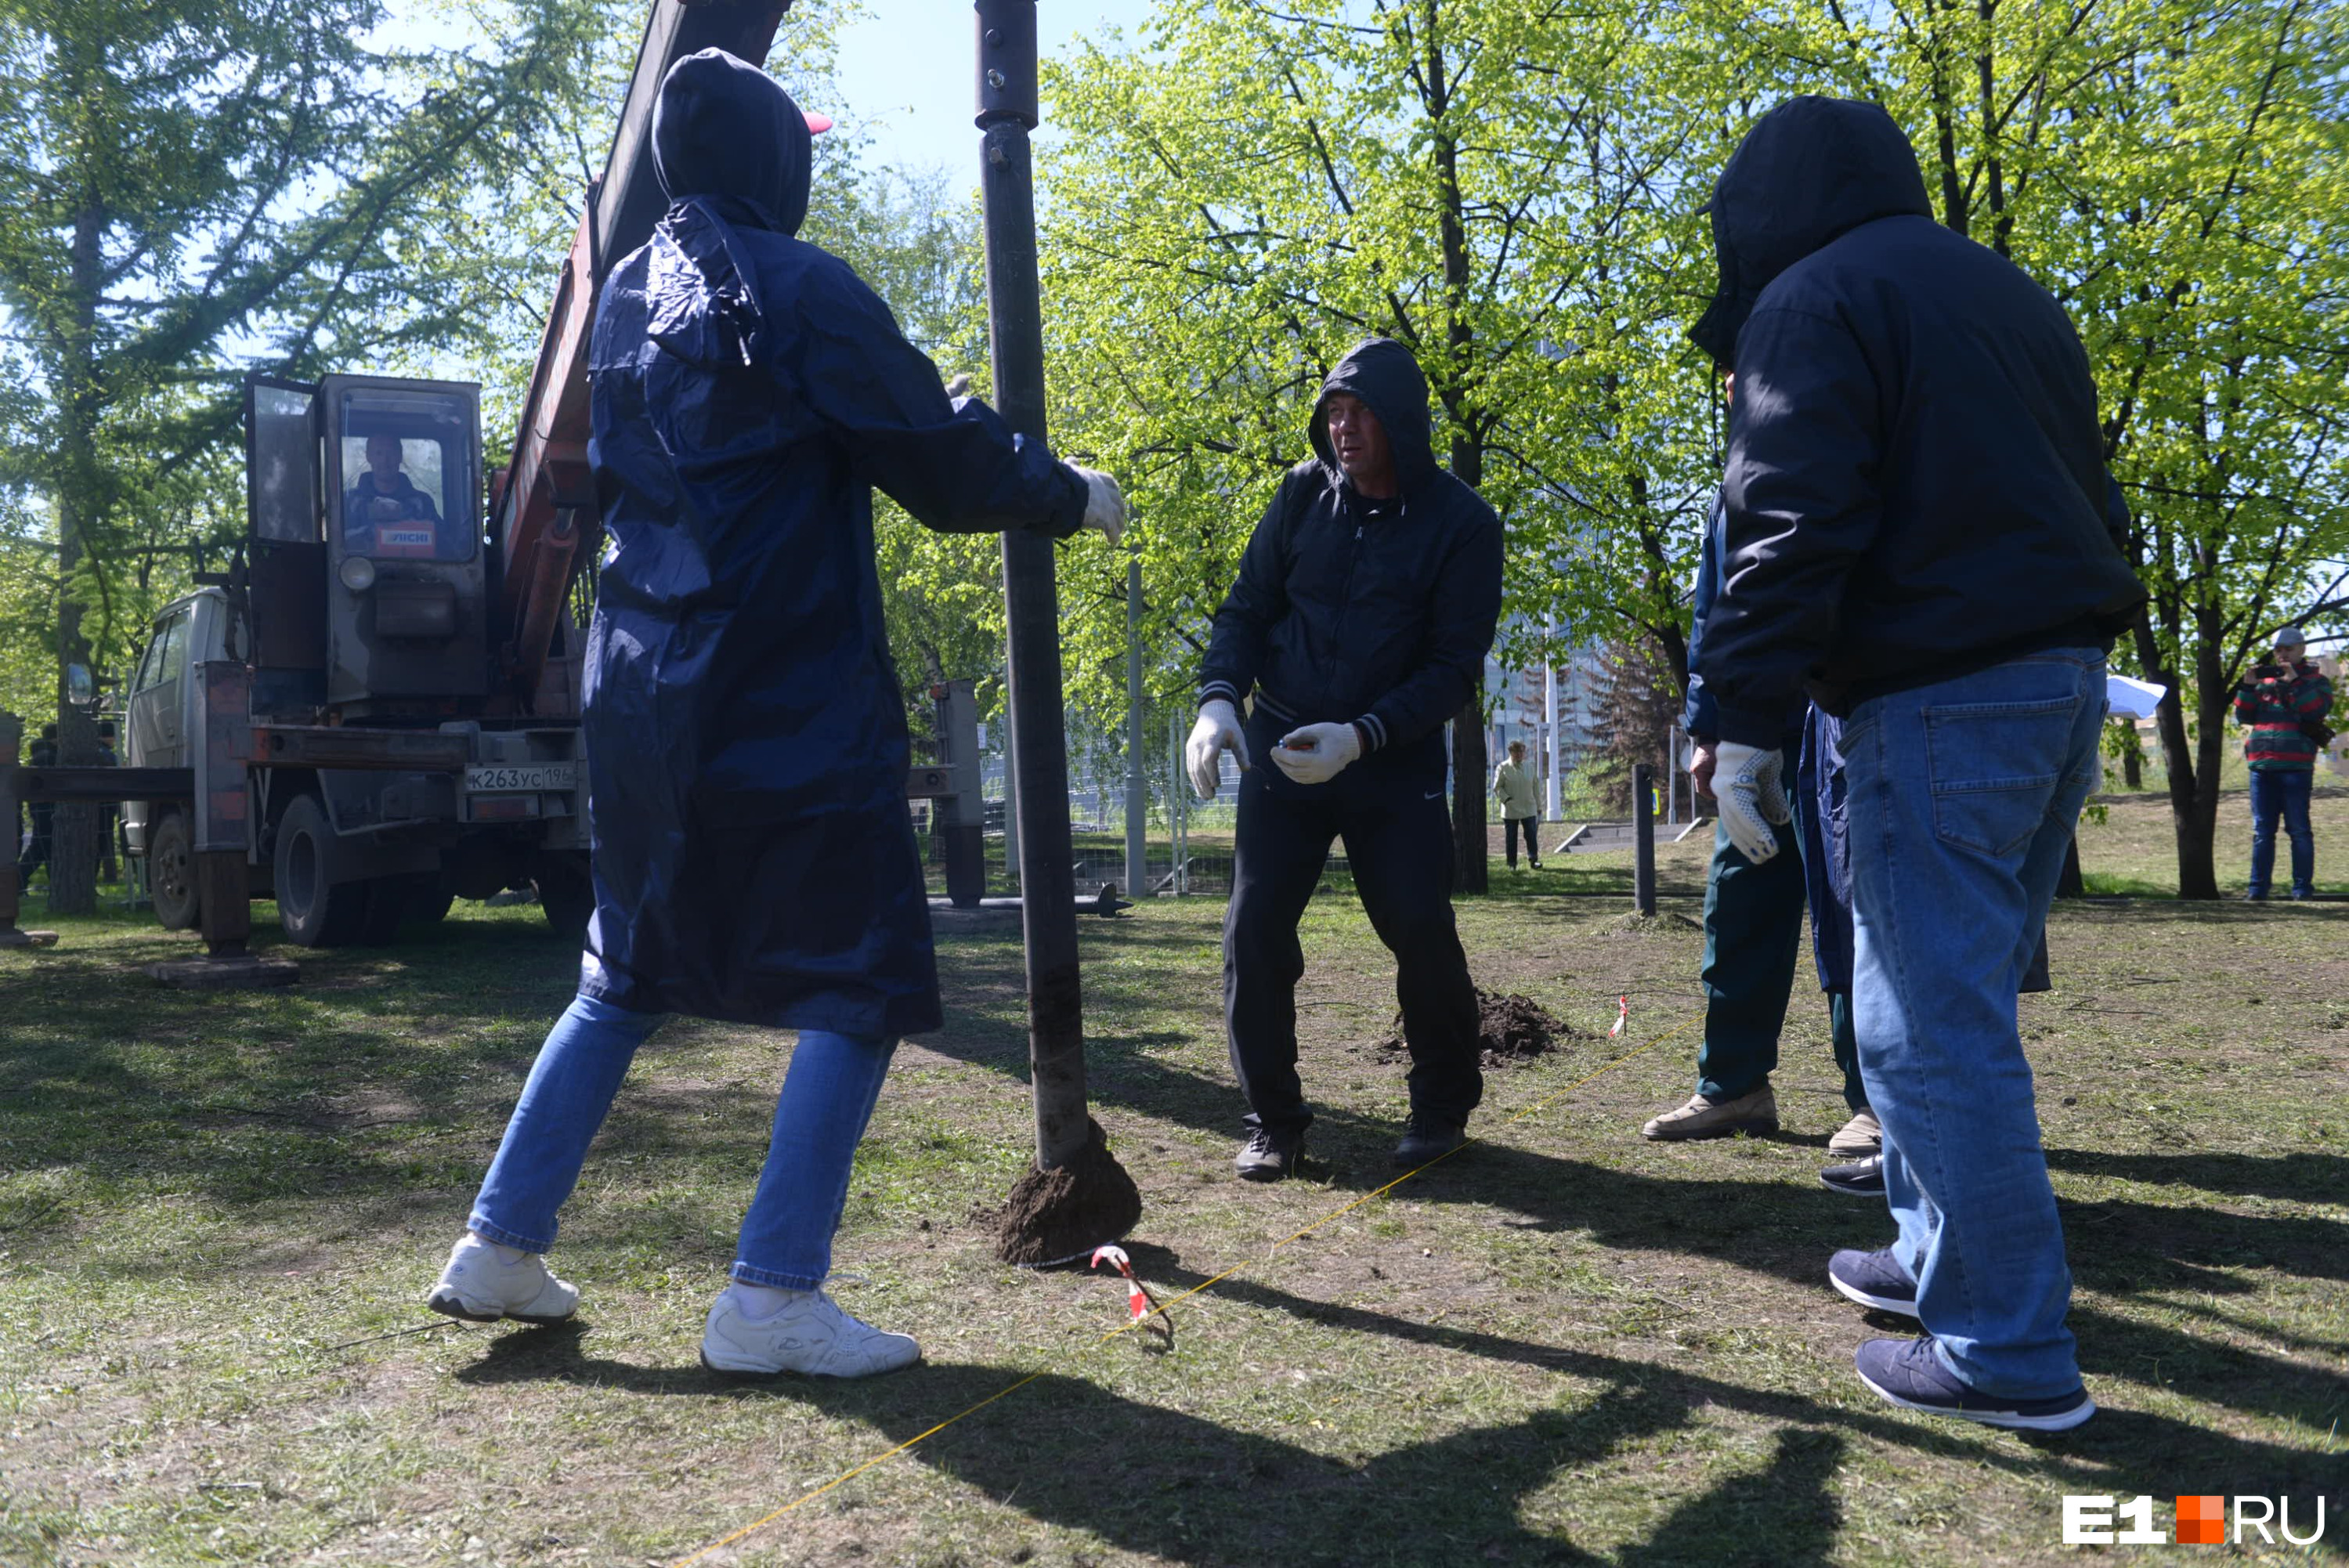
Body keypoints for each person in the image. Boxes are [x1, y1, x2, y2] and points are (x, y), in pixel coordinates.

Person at [426, 49, 1125, 1378]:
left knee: (622, 969)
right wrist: (1063, 491)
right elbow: (935, 449)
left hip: (636, 695)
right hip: (778, 690)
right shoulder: (797, 290)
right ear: (773, 162)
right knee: (857, 979)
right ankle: (771, 1294)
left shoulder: (628, 296)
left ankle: (500, 1242)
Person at [1690, 96, 2144, 1430]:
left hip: (1932, 695)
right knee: (1942, 1004)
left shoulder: (1808, 301)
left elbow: (1783, 523)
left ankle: (2003, 1352)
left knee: (1925, 1029)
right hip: (2054, 680)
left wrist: (1741, 715)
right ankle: (1931, 1259)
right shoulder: (2004, 296)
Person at [1190, 337, 1503, 1181]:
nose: (1343, 428)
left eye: (1360, 411)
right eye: (1333, 410)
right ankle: (1274, 1120)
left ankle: (1439, 1108)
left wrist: (1360, 735)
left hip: (1388, 763)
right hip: (1283, 750)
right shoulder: (1298, 498)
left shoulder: (1465, 525)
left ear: (1400, 421)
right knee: (1251, 930)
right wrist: (1218, 699)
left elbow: (1452, 670)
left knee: (1419, 926)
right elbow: (1246, 608)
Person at [1643, 490, 1874, 1158]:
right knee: (1736, 907)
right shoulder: (1732, 493)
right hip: (1752, 741)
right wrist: (1708, 731)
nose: (1737, 389)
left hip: (1839, 726)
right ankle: (1733, 1087)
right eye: (1728, 380)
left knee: (1848, 914)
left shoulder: (1846, 451)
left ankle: (1875, 1099)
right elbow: (1715, 612)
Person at [2235, 627, 2331, 899]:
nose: (2283, 654)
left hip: (2296, 768)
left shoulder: (2316, 680)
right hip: (2262, 767)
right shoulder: (2265, 680)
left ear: (2302, 649)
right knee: (2262, 831)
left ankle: (2302, 890)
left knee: (2299, 830)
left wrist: (2294, 683)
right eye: (2279, 649)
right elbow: (2244, 715)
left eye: (2288, 649)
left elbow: (2315, 710)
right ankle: (2257, 890)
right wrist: (2248, 686)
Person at [342, 433, 443, 551]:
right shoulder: (350, 501)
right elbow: (338, 544)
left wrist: (412, 527)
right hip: (364, 569)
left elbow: (441, 543)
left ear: (400, 456)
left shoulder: (422, 502)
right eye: (379, 453)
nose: (385, 460)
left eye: (391, 453)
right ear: (368, 457)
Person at [16, 722, 56, 892]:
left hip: (39, 807)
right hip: (47, 808)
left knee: (44, 847)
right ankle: (17, 879)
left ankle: (19, 881)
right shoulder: (49, 757)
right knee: (41, 847)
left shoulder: (39, 755)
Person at [1493, 740, 1542, 869]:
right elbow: (1497, 788)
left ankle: (1533, 859)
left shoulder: (1530, 767)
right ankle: (1512, 864)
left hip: (1528, 807)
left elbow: (1536, 787)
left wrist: (1539, 805)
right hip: (1511, 809)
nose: (1520, 754)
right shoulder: (1503, 767)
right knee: (1511, 837)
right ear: (1511, 752)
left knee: (1531, 834)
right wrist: (1507, 800)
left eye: (1522, 751)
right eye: (1517, 751)